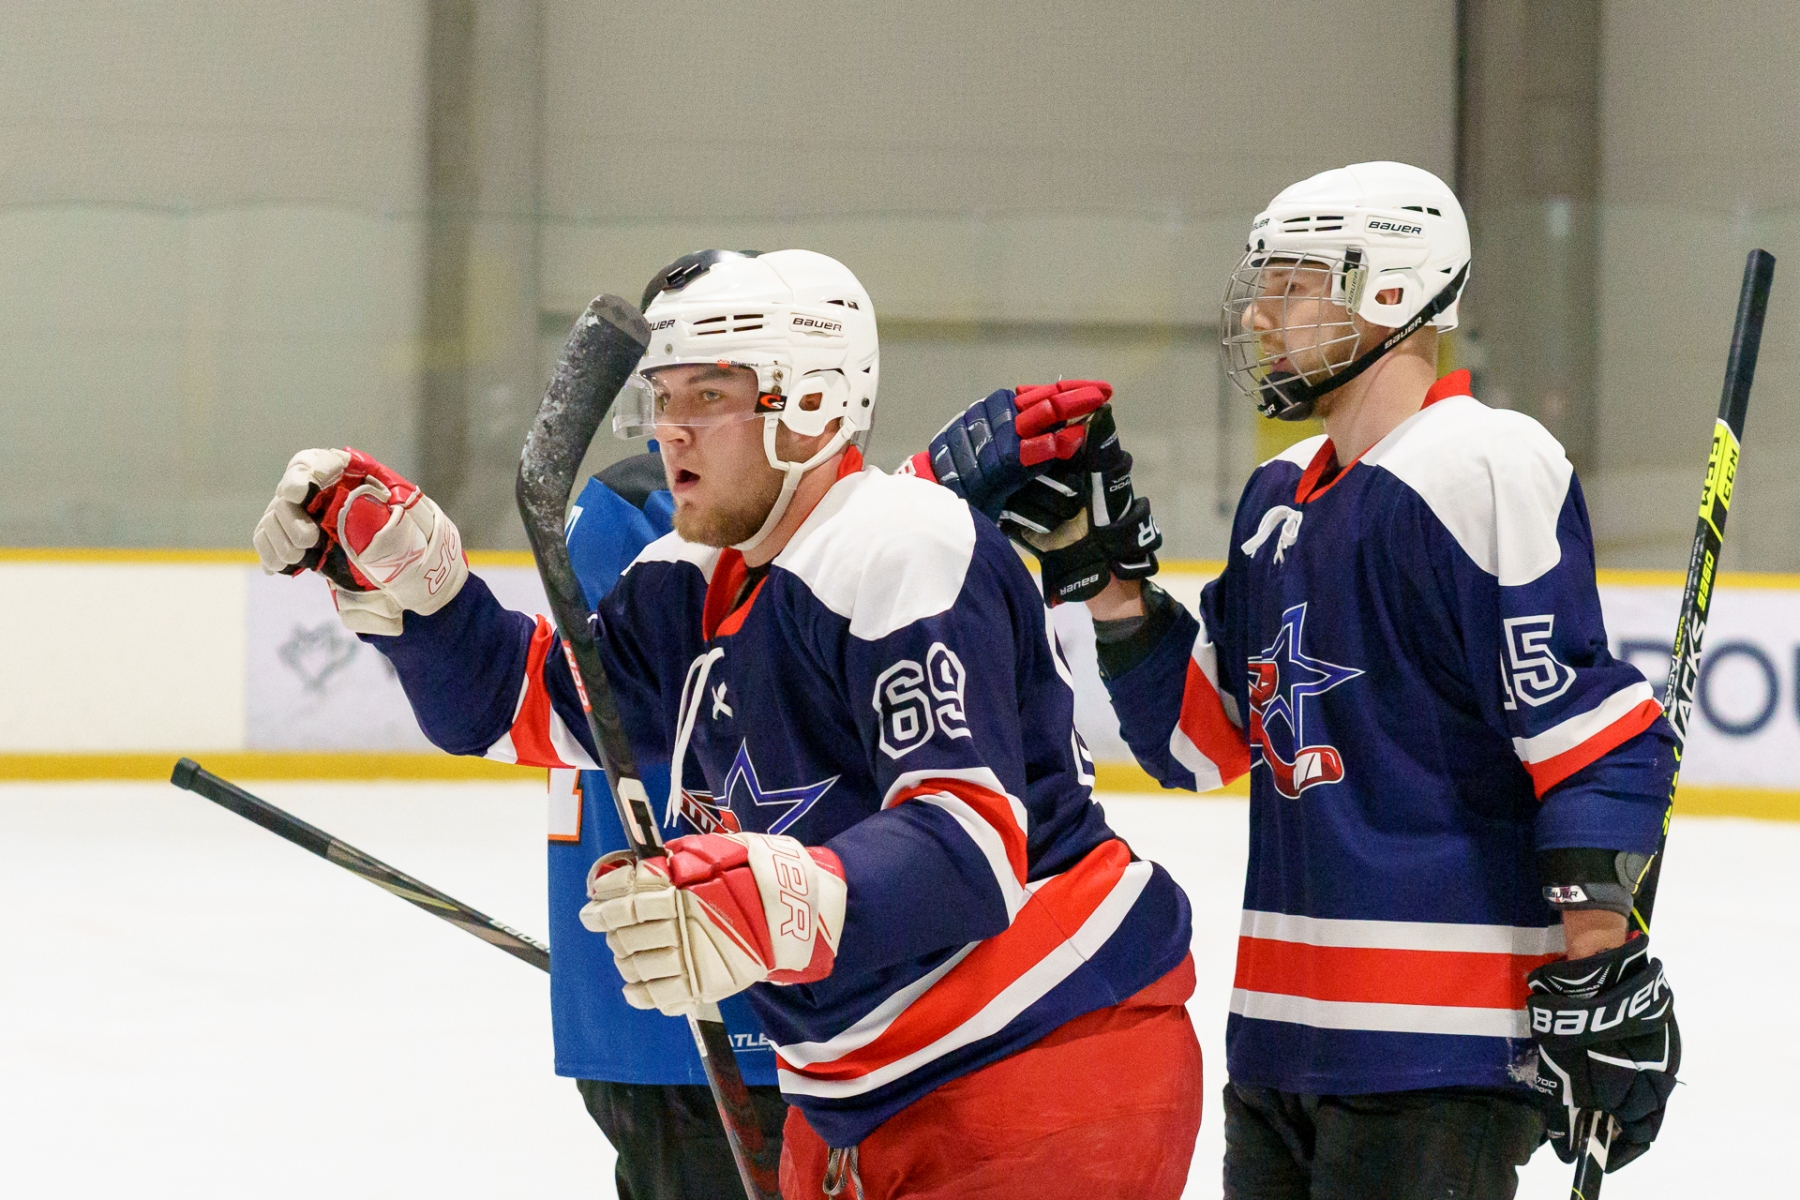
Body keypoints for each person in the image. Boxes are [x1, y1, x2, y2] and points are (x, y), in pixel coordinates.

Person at [254, 248, 1204, 1200]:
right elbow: (528, 705)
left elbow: (965, 849)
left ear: (814, 401)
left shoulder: (901, 542)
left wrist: (757, 901)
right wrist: (425, 598)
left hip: (1046, 1059)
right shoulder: (688, 579)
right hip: (859, 1093)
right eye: (663, 398)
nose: (672, 431)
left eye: (708, 396)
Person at [922, 162, 1682, 1199]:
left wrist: (1598, 964)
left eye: (1292, 285)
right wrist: (1107, 585)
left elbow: (1585, 734)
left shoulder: (1482, 464)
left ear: (1391, 290)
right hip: (1279, 1041)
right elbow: (1200, 744)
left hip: (1436, 1047)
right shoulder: (1279, 498)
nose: (1261, 316)